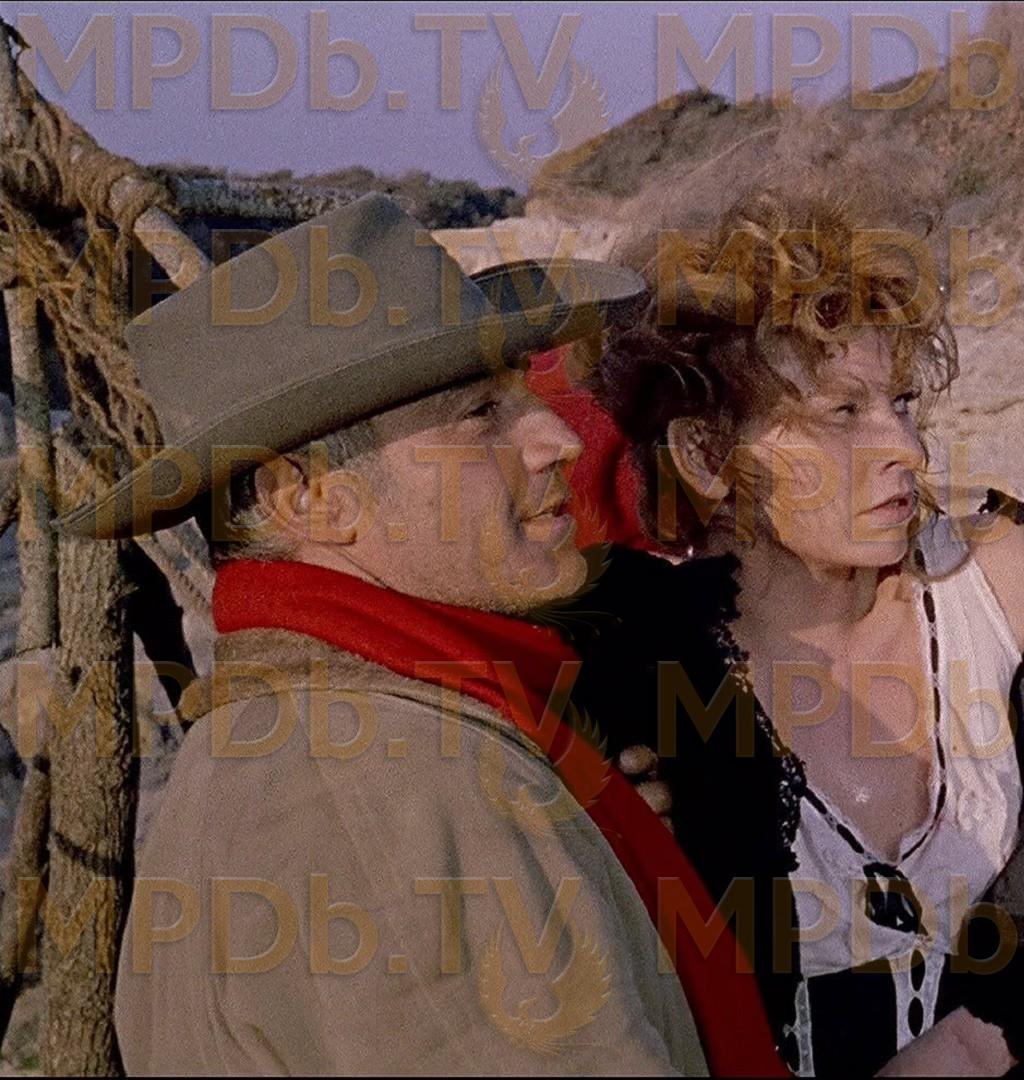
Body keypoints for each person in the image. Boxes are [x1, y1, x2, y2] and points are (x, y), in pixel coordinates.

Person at [67, 194, 785, 1075]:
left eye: (521, 392)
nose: (558, 437)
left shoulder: (334, 745)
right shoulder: (384, 791)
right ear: (312, 500)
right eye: (482, 412)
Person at [560, 188, 1024, 1076]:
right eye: (844, 414)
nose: (907, 449)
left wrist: (983, 1037)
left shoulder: (1004, 586)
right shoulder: (639, 679)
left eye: (903, 402)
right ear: (706, 456)